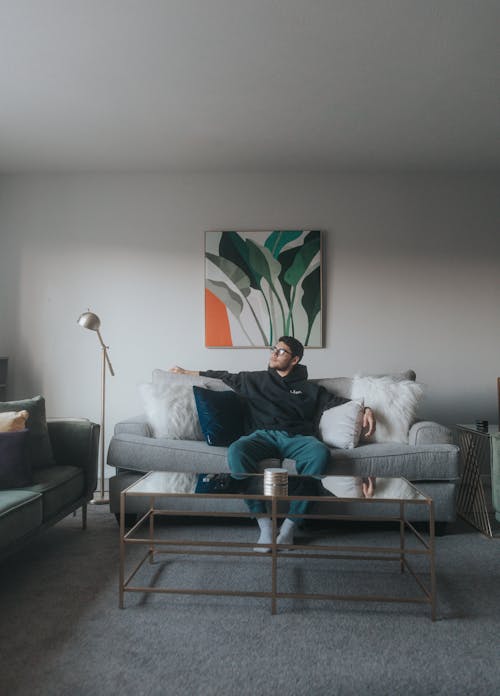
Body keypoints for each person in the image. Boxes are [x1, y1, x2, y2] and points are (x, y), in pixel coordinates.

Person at [170, 336, 376, 550]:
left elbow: (341, 403)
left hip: (297, 438)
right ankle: (265, 526)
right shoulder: (254, 380)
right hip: (261, 436)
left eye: (281, 351)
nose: (273, 354)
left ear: (294, 359)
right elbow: (221, 376)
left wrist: (367, 409)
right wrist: (185, 373)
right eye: (273, 349)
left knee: (320, 453)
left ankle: (289, 528)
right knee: (237, 451)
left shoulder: (310, 389)